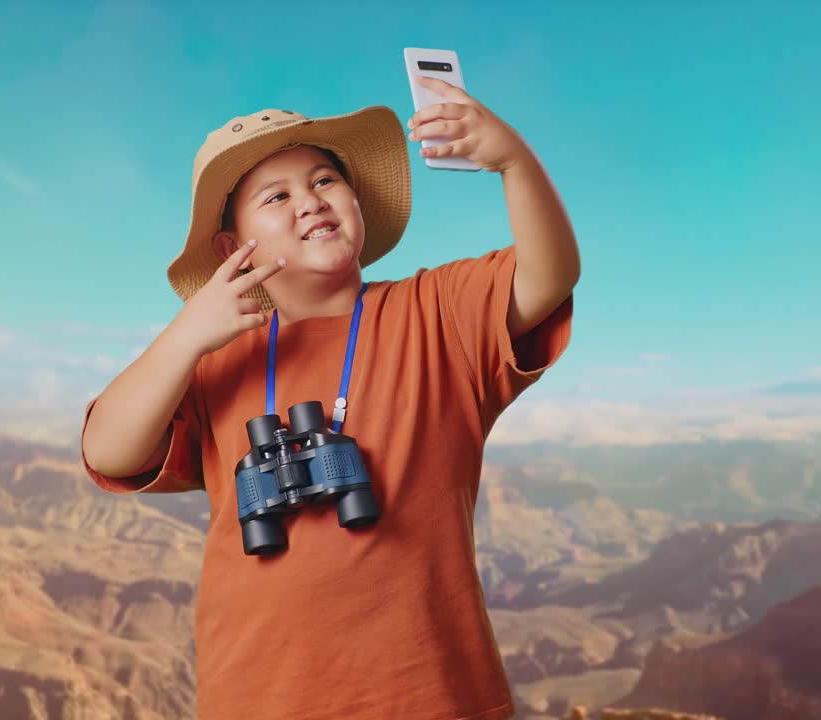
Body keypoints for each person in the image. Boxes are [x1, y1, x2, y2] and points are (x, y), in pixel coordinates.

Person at [81, 76, 579, 720]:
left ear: (356, 201)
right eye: (276, 195)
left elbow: (549, 276)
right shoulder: (213, 363)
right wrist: (185, 339)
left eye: (324, 180)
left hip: (430, 693)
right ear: (234, 249)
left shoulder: (436, 313)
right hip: (258, 694)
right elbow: (109, 453)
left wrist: (513, 161)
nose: (309, 201)